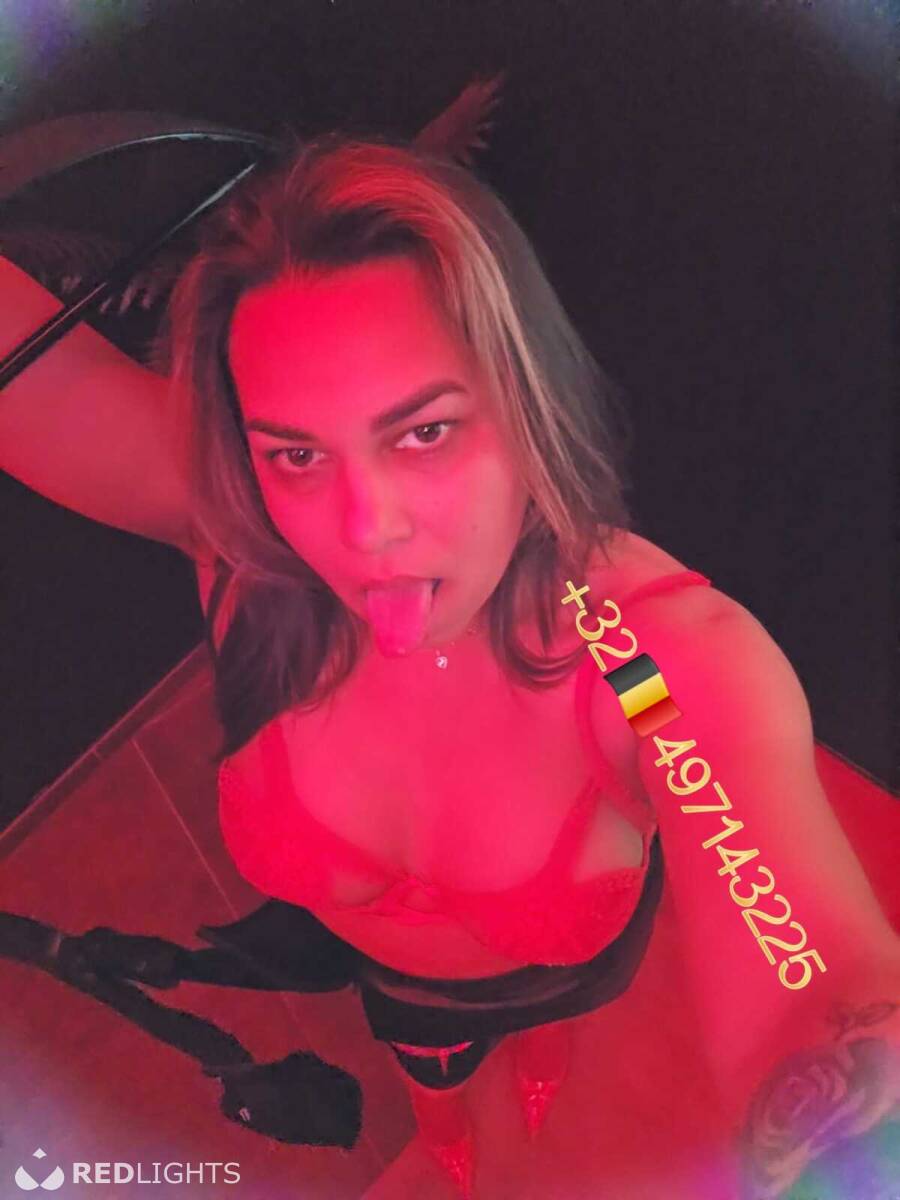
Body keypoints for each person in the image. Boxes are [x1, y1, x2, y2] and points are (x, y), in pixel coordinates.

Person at [3, 132, 896, 1199]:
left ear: (526, 404)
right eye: (298, 453)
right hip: (393, 989)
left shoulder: (639, 667)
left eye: (423, 433)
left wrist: (846, 1082)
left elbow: (805, 975)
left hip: (556, 978)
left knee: (541, 1030)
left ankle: (534, 1054)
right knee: (430, 1065)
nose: (365, 529)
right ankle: (445, 1117)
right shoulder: (243, 546)